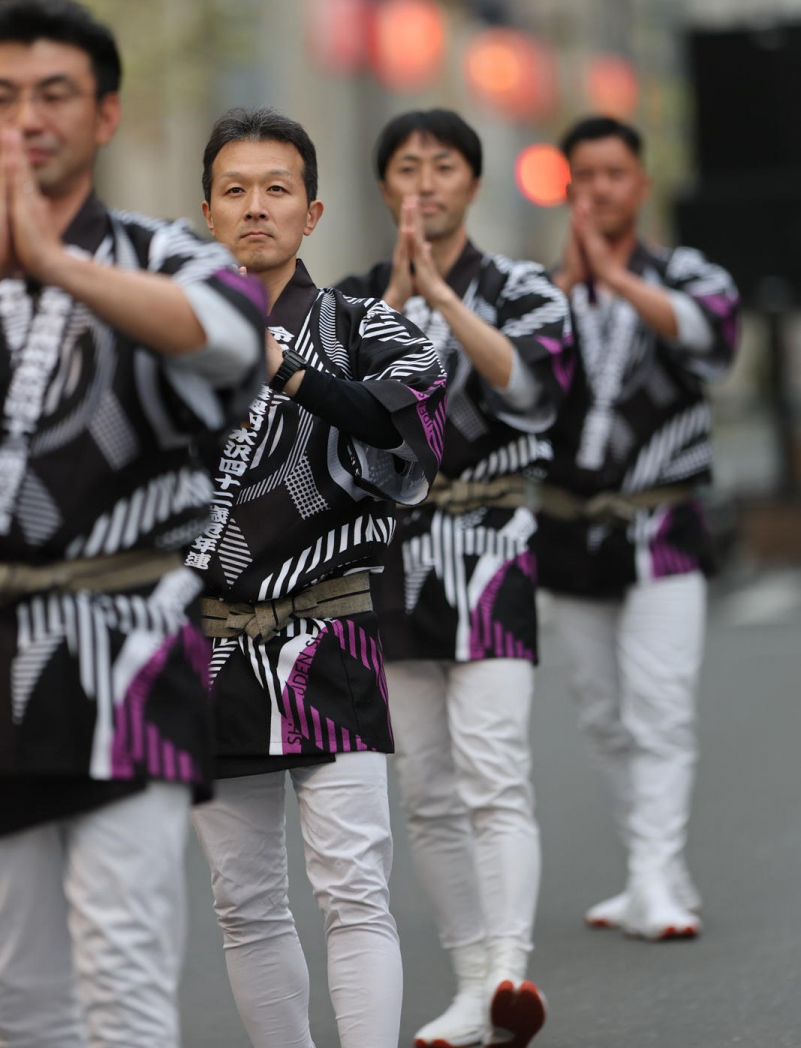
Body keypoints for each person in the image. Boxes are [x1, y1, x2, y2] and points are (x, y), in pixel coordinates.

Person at [0, 0, 265, 1047]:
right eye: (6, 95)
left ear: (105, 115)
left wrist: (58, 265)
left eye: (55, 93)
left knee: (122, 976)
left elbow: (233, 338)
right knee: (19, 997)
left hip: (125, 663)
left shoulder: (162, 255)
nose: (27, 117)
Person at [187, 106, 446, 1048]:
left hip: (328, 631)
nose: (256, 207)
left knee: (353, 889)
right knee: (243, 899)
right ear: (207, 211)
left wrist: (288, 374)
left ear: (313, 210)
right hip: (211, 645)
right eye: (236, 190)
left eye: (277, 189)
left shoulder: (358, 324)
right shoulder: (166, 338)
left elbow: (408, 418)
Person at [338, 109, 572, 1048]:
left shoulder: (521, 287)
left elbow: (528, 387)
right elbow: (346, 416)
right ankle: (473, 982)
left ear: (473, 182)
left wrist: (443, 295)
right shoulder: (353, 302)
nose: (423, 184)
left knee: (493, 766)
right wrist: (399, 301)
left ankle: (511, 969)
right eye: (405, 168)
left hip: (491, 550)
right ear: (383, 187)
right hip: (393, 561)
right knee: (426, 786)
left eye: (441, 167)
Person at [539, 115, 740, 941]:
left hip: (660, 524)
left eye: (612, 174)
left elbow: (712, 340)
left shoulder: (685, 272)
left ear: (640, 183)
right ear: (566, 187)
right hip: (565, 530)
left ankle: (654, 878)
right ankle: (649, 868)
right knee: (600, 713)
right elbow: (508, 379)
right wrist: (567, 284)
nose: (597, 190)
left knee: (660, 706)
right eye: (581, 176)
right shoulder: (541, 289)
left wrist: (616, 282)